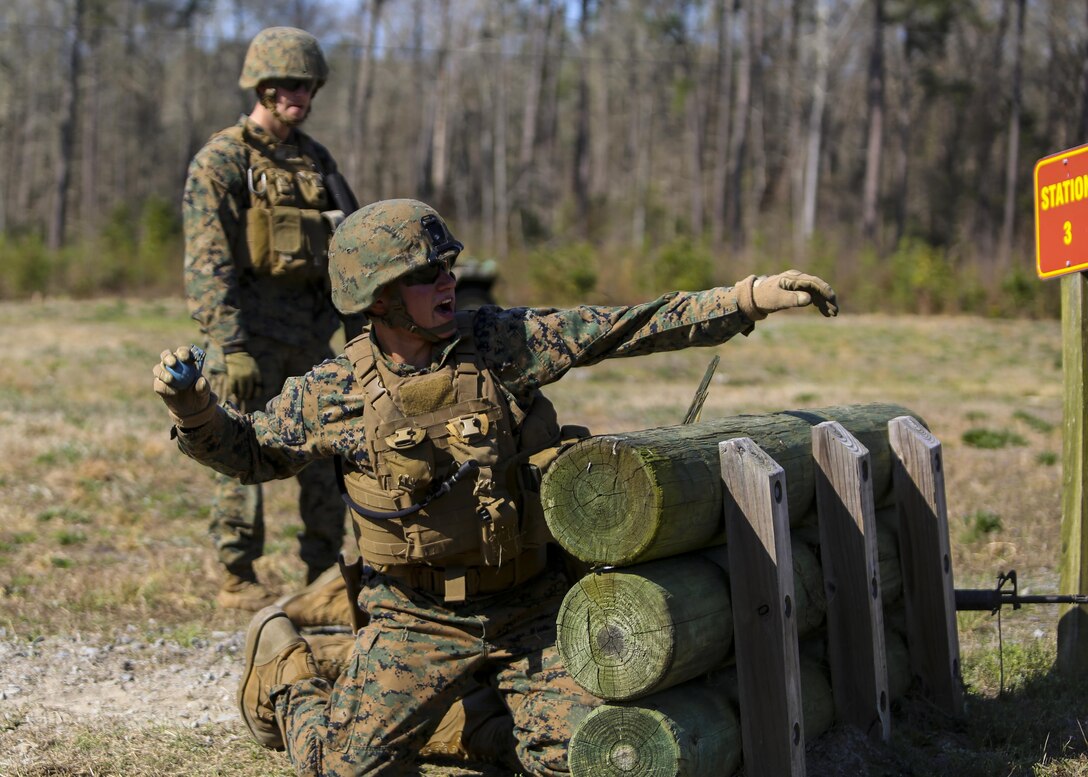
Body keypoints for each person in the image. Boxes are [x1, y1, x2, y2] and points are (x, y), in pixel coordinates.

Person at [153, 198, 839, 775]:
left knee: (588, 757)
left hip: (530, 609)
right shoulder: (334, 390)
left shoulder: (500, 342)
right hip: (415, 618)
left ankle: (462, 713)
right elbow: (251, 453)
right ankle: (288, 674)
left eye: (449, 265)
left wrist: (748, 297)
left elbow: (621, 327)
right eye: (428, 275)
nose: (449, 282)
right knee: (343, 765)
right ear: (379, 297)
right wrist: (193, 408)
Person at [182, 26, 348, 610]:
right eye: (287, 85)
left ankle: (326, 573)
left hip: (310, 340)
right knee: (237, 452)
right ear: (263, 86)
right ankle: (236, 574)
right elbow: (208, 263)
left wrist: (349, 328)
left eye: (307, 85)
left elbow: (350, 244)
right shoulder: (223, 160)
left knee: (326, 453)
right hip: (248, 340)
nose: (299, 95)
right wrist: (229, 344)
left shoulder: (316, 161)